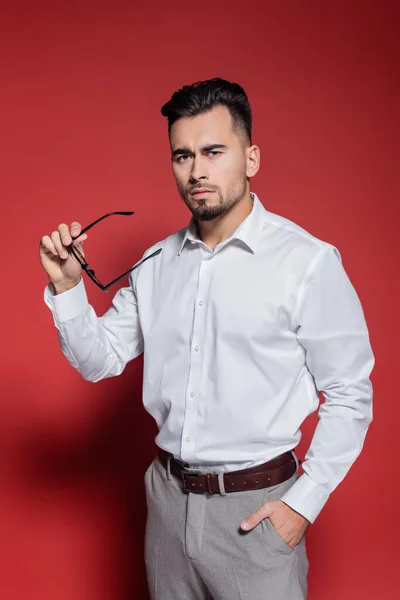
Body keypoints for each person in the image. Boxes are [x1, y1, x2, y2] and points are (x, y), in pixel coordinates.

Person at [39, 78, 375, 600]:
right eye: (183, 155)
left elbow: (352, 393)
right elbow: (98, 360)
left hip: (258, 513)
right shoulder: (155, 265)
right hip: (168, 508)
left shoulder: (306, 263)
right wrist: (66, 287)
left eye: (214, 152)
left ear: (251, 158)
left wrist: (302, 504)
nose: (196, 171)